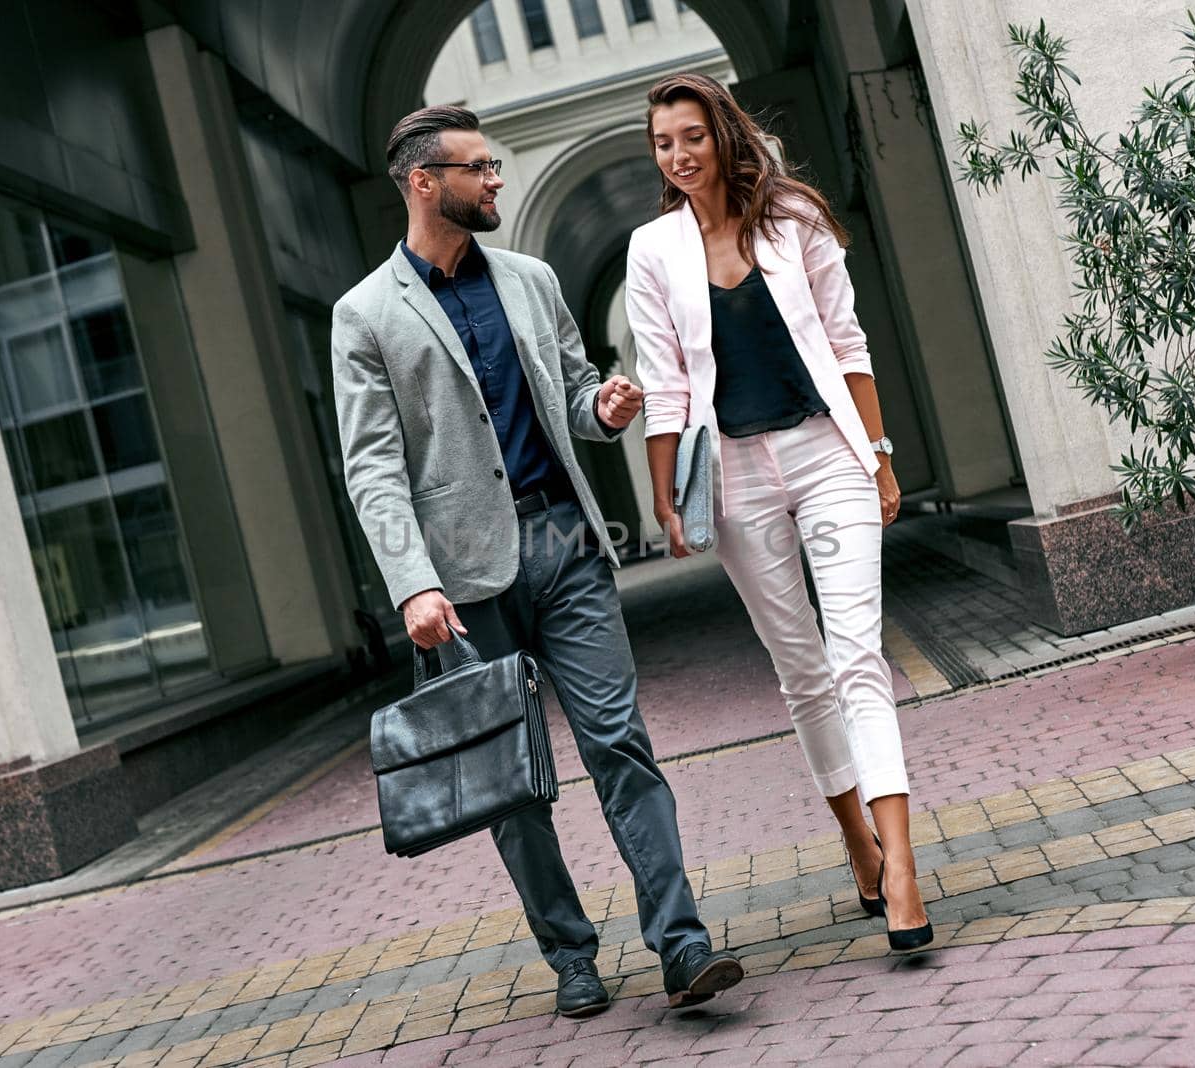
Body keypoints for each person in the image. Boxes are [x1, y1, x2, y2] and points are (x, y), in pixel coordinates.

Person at [331, 105, 745, 1017]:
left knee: (620, 746)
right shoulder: (363, 315)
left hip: (564, 543)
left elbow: (573, 389)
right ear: (423, 182)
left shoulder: (529, 278)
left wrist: (606, 407)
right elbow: (372, 468)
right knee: (509, 784)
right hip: (460, 584)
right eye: (479, 169)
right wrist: (413, 585)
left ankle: (682, 945)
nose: (496, 181)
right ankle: (570, 955)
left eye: (496, 166)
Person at [624, 73, 933, 952]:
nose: (678, 156)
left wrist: (877, 457)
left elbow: (848, 342)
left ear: (722, 134)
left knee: (857, 655)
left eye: (691, 136)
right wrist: (665, 497)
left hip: (823, 452)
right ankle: (856, 842)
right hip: (734, 478)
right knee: (800, 669)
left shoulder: (792, 219)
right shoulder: (653, 249)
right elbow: (666, 385)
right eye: (662, 143)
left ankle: (903, 867)